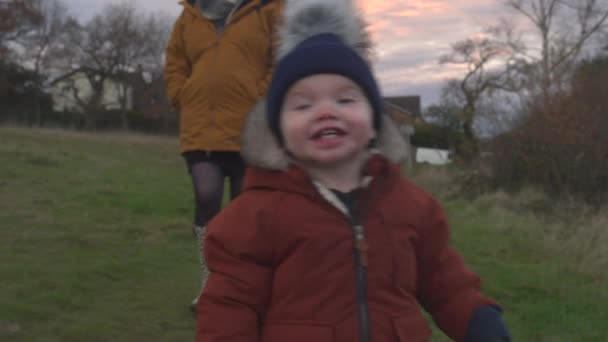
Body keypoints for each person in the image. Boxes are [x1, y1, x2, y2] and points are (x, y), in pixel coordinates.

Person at [196, 0, 512, 341]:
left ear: (375, 123)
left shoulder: (413, 207)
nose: (326, 111)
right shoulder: (254, 217)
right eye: (303, 104)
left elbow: (444, 279)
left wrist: (479, 320)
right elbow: (229, 308)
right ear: (279, 132)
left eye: (346, 100)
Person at [163, 0, 284, 310]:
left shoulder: (269, 8)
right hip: (200, 129)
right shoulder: (190, 14)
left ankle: (246, 287)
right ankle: (210, 285)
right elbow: (175, 58)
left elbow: (282, 57)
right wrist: (181, 93)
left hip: (249, 130)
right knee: (206, 200)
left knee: (245, 215)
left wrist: (260, 97)